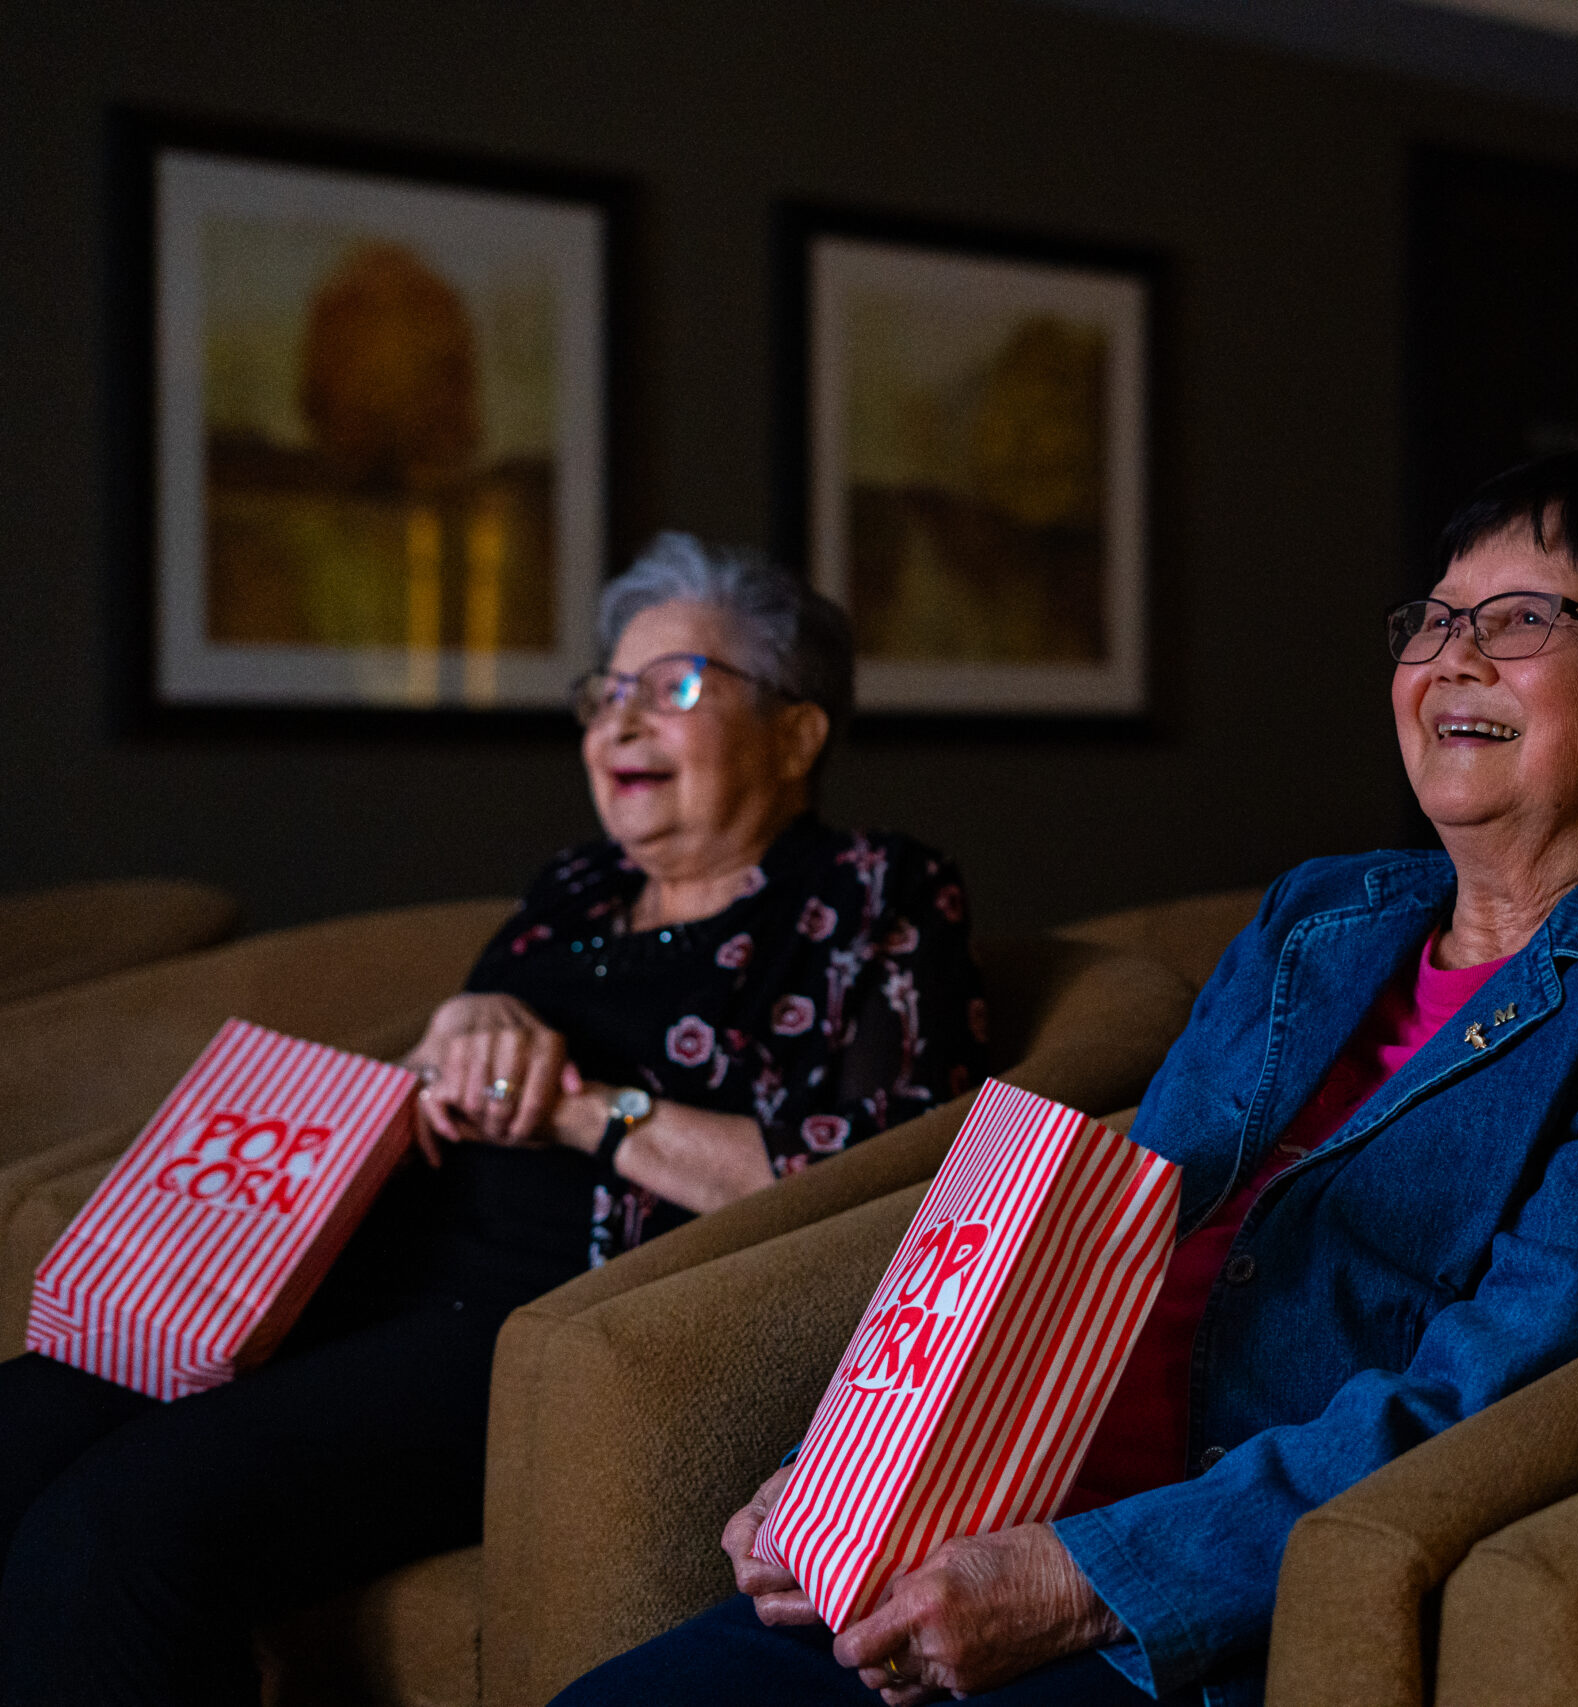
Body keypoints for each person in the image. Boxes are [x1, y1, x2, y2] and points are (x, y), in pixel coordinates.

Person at [556, 451, 1578, 1707]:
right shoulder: (1321, 918)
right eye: (1434, 620)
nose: (1451, 659)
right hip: (995, 1510)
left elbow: (1500, 1405)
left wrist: (1077, 1579)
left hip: (1181, 1614)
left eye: (1522, 621)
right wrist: (842, 1469)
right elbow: (1075, 1250)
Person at [0, 534, 987, 1707]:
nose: (620, 723)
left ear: (797, 731)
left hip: (542, 1325)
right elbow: (447, 1077)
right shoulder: (575, 888)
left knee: (118, 1529)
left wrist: (580, 1108)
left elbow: (885, 1177)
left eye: (674, 687)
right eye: (604, 694)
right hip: (353, 1272)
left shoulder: (874, 892)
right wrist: (463, 1022)